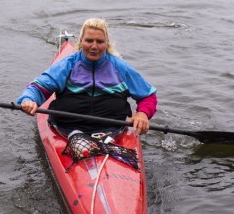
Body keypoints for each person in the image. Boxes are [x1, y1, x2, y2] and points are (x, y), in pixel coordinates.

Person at [16, 18, 157, 136]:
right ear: (81, 41)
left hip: (113, 129)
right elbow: (38, 88)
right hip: (66, 128)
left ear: (106, 43)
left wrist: (143, 114)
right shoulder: (67, 65)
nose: (94, 46)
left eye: (99, 42)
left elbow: (148, 95)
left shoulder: (120, 67)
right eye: (89, 41)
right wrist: (29, 100)